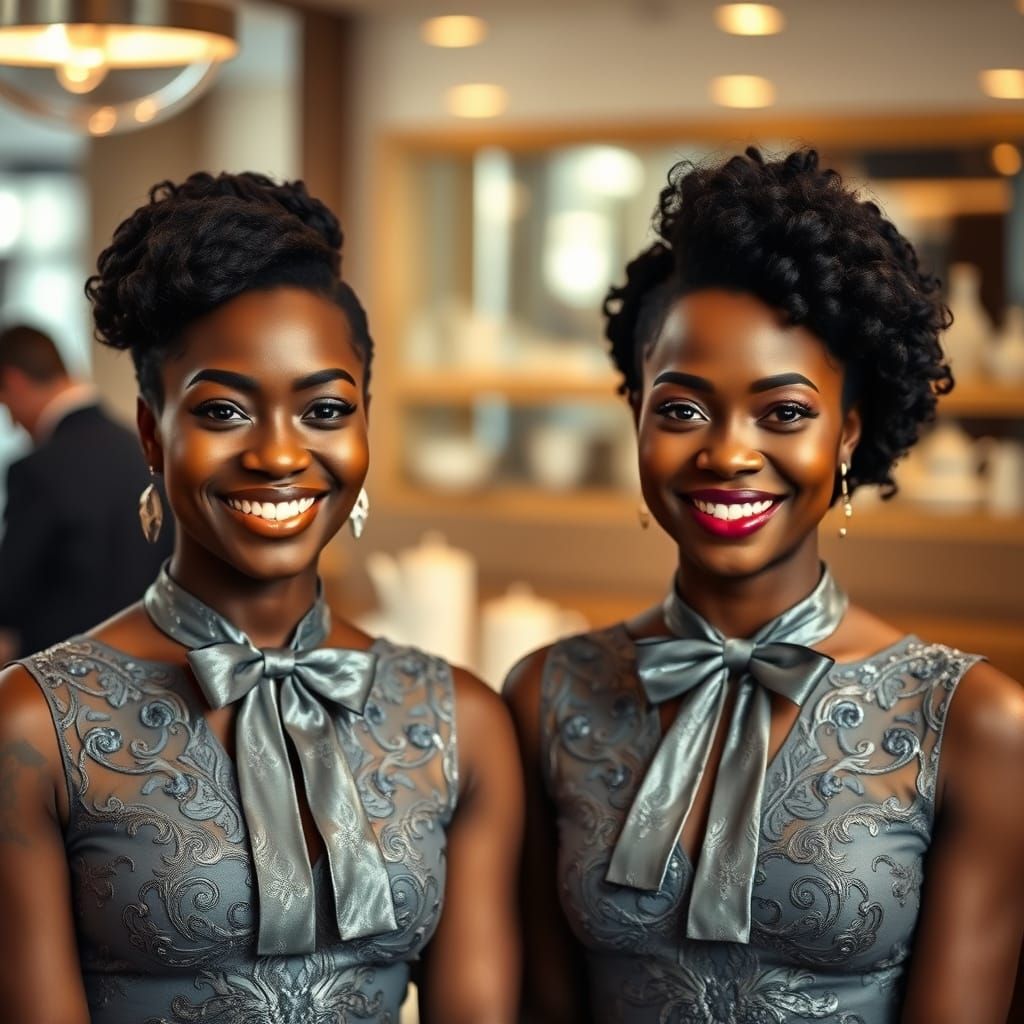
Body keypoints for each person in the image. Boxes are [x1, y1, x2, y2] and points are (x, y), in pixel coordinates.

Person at [505, 148, 1024, 1024]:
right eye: (682, 408)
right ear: (636, 416)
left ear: (851, 432)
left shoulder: (975, 724)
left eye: (784, 412)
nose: (729, 453)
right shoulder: (546, 696)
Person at [0, 172, 522, 1024]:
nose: (280, 454)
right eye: (224, 411)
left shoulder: (464, 721)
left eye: (323, 408)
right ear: (150, 433)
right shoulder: (29, 726)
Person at [0, 324, 172, 658]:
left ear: (15, 382)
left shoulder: (37, 470)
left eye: (5, 405)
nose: (12, 422)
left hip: (60, 686)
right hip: (153, 674)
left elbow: (8, 595)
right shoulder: (150, 453)